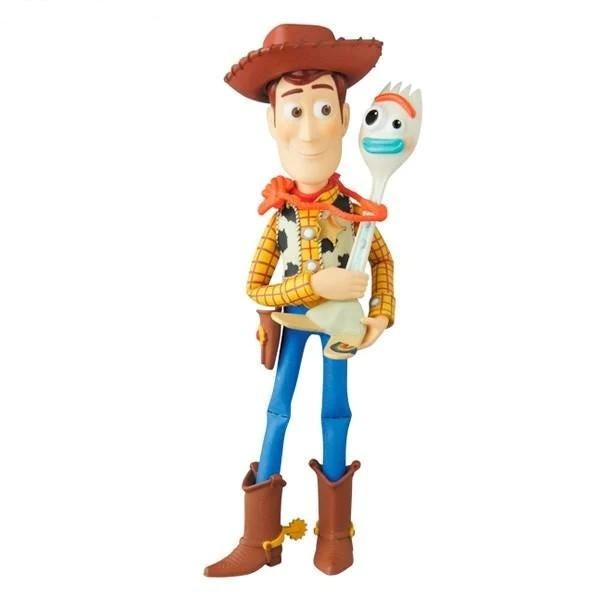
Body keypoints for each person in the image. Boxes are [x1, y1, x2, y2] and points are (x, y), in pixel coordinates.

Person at [204, 24, 395, 577]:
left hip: (340, 328)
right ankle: (260, 537)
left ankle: (335, 534)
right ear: (273, 123)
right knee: (277, 412)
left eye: (323, 109)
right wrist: (314, 288)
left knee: (336, 413)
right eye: (294, 110)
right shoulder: (280, 216)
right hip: (292, 323)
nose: (309, 132)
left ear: (345, 118)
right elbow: (255, 288)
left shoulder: (355, 212)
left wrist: (381, 313)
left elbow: (382, 261)